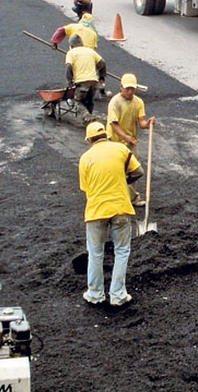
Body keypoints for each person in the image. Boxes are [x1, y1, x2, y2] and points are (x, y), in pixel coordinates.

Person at [78, 121, 144, 306]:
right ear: (106, 135)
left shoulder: (85, 158)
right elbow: (138, 171)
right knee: (122, 251)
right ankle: (118, 295)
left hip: (96, 210)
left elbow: (85, 188)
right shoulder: (121, 149)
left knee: (95, 252)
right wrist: (124, 181)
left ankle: (95, 294)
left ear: (90, 140)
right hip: (121, 207)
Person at [106, 73, 155, 207]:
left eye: (132, 89)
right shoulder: (115, 102)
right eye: (127, 88)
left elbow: (141, 123)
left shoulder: (138, 102)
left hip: (130, 142)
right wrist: (126, 137)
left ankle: (132, 198)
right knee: (115, 170)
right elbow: (113, 125)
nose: (130, 91)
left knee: (134, 170)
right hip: (114, 142)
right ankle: (114, 196)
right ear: (121, 87)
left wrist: (148, 124)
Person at [65, 34, 106, 125]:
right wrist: (101, 76)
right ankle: (90, 124)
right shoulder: (90, 51)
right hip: (94, 81)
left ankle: (87, 117)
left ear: (71, 45)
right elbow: (102, 63)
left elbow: (68, 67)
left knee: (77, 102)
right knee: (89, 102)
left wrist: (69, 81)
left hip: (82, 82)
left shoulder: (71, 53)